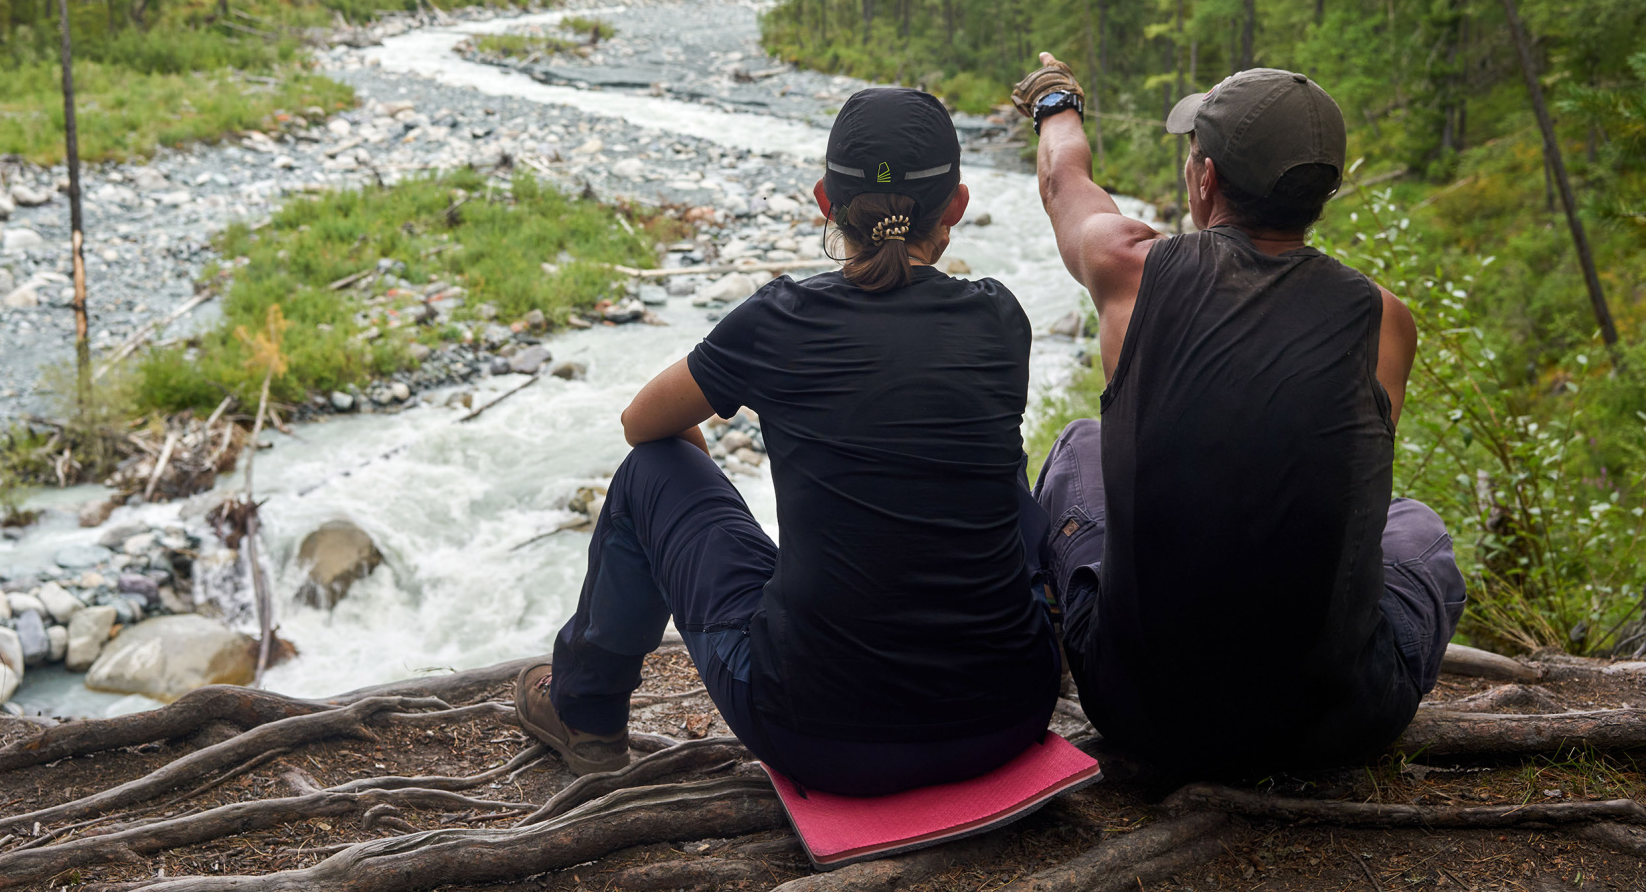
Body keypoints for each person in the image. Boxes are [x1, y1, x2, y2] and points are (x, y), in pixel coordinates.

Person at [516, 87, 1060, 795]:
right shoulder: (999, 318)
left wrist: (698, 485)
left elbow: (640, 424)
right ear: (955, 205)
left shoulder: (780, 319)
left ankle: (584, 711)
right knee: (988, 464)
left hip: (823, 735)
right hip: (1008, 715)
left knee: (652, 468)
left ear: (824, 202)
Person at [1013, 56, 1467, 776]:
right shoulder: (1384, 322)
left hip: (1140, 709)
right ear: (1320, 194)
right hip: (1337, 726)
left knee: (1078, 447)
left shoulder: (1134, 271)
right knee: (1416, 527)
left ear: (1205, 179)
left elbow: (1061, 180)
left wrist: (1055, 99)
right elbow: (1335, 489)